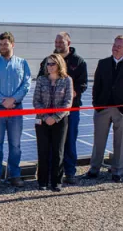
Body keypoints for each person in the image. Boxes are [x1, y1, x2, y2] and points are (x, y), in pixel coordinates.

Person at [85, 35, 123, 182]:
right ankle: (94, 169)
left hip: (122, 111)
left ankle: (117, 171)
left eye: (119, 46)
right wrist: (96, 105)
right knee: (99, 141)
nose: (115, 48)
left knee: (120, 141)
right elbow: (96, 86)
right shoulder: (103, 63)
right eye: (114, 45)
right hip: (102, 109)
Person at [38, 32, 87, 184]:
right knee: (53, 144)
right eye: (56, 42)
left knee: (69, 141)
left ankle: (70, 172)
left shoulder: (78, 62)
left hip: (70, 110)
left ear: (68, 42)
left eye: (61, 42)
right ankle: (53, 175)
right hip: (50, 111)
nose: (58, 44)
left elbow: (83, 83)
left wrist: (74, 91)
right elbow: (41, 78)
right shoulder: (48, 60)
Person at [0, 31, 31, 188]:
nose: (3, 47)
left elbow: (26, 84)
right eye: (1, 44)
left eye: (6, 44)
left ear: (13, 44)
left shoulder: (23, 63)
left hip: (16, 110)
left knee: (15, 145)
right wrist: (3, 101)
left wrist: (13, 100)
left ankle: (15, 175)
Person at [33, 53, 73, 192]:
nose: (49, 67)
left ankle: (56, 181)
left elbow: (68, 102)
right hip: (42, 121)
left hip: (60, 121)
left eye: (52, 64)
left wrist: (55, 117)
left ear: (59, 64)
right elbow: (36, 101)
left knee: (58, 151)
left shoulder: (67, 80)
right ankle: (42, 181)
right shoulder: (41, 80)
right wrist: (45, 117)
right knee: (43, 151)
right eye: (48, 64)